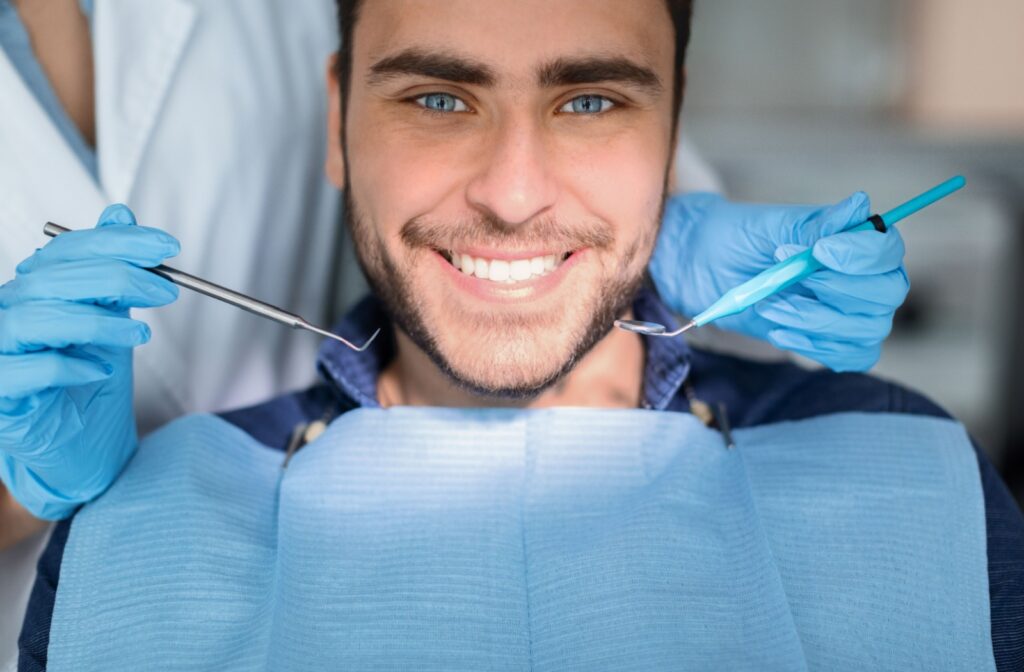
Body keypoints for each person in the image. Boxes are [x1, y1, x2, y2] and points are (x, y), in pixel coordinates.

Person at [5, 0, 981, 667]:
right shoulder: (117, 549)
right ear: (339, 111)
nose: (514, 194)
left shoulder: (908, 469)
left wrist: (639, 241)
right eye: (438, 98)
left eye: (588, 101)